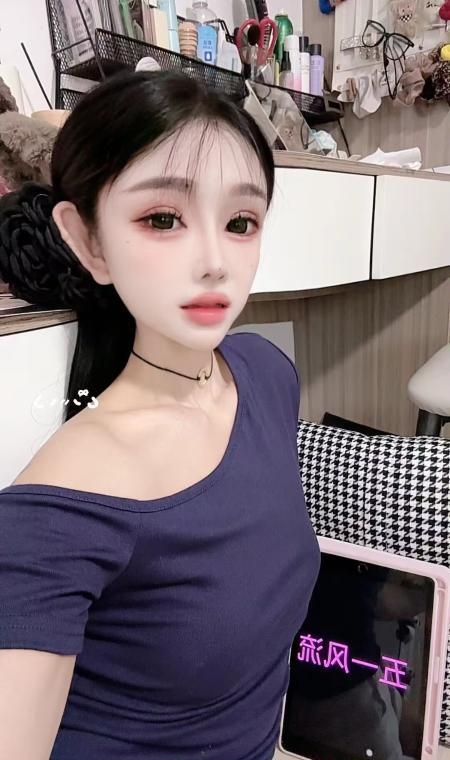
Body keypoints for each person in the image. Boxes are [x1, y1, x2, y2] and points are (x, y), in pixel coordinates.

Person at [0, 69, 320, 760]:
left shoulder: (267, 375)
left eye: (240, 223)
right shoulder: (58, 510)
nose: (214, 262)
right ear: (88, 241)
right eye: (163, 219)